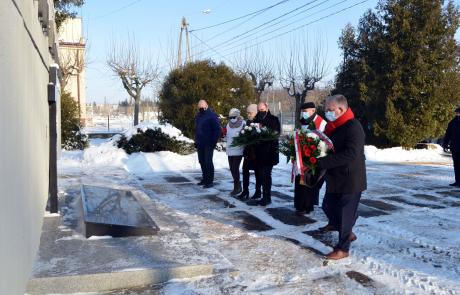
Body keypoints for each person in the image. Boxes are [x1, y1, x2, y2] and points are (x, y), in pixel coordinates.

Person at [316, 94, 366, 260]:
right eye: (326, 109)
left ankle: (343, 248)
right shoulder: (333, 126)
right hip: (336, 177)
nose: (327, 113)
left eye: (330, 110)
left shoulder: (353, 126)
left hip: (350, 178)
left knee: (345, 212)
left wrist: (324, 162)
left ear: (341, 109)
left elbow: (351, 154)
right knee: (328, 206)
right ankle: (346, 229)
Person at [294, 102, 326, 215]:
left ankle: (308, 205)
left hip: (313, 156)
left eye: (306, 111)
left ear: (313, 111)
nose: (304, 113)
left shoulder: (321, 123)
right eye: (303, 111)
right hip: (302, 156)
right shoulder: (303, 122)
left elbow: (323, 140)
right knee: (300, 181)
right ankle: (300, 204)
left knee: (309, 181)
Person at [247, 102, 281, 206]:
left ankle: (267, 197)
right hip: (258, 153)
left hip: (269, 153)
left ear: (267, 108)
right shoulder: (256, 120)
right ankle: (260, 194)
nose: (260, 112)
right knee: (259, 175)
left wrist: (264, 133)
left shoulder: (273, 119)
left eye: (262, 109)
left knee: (266, 175)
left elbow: (276, 133)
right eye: (259, 109)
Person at [236, 104, 261, 200]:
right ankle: (245, 191)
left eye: (250, 113)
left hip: (256, 153)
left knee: (258, 172)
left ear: (255, 112)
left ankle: (258, 191)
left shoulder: (259, 122)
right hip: (248, 152)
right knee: (245, 170)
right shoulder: (248, 123)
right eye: (247, 113)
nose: (248, 114)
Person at [195, 100, 221, 188]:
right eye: (199, 107)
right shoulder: (198, 115)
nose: (201, 108)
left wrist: (213, 142)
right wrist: (196, 141)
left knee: (208, 161)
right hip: (200, 143)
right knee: (202, 161)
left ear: (207, 105)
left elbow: (217, 130)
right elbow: (197, 129)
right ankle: (205, 179)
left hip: (208, 143)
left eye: (202, 107)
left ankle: (210, 181)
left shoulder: (212, 116)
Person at [225, 108, 245, 196]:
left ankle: (237, 187)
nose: (232, 118)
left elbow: (245, 136)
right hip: (230, 149)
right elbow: (227, 135)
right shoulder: (228, 124)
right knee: (232, 169)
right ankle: (237, 185)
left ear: (238, 116)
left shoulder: (243, 124)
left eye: (234, 116)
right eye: (230, 117)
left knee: (235, 168)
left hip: (238, 149)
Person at [443, 107, 460, 187]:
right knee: (456, 165)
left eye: (458, 112)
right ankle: (457, 181)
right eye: (456, 112)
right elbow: (448, 134)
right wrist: (445, 144)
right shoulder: (452, 122)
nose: (457, 114)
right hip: (454, 147)